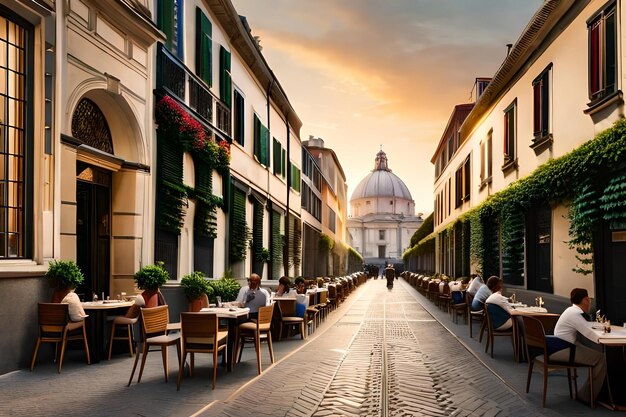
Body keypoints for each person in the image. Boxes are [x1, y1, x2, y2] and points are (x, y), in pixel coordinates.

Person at [550, 288, 606, 404]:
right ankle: (587, 396)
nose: (589, 302)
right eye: (588, 299)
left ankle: (592, 393)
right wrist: (605, 338)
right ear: (585, 300)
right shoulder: (575, 314)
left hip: (560, 346)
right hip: (562, 349)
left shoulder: (571, 310)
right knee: (600, 358)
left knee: (595, 353)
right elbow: (589, 332)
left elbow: (587, 327)